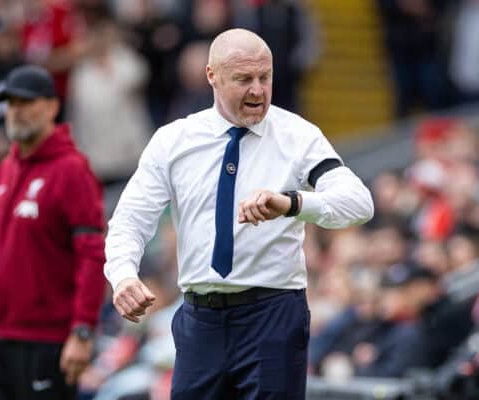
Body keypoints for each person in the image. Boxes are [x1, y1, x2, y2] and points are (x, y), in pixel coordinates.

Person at [104, 28, 374, 399]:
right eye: (244, 79)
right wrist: (122, 276)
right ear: (211, 76)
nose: (258, 90)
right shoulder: (174, 141)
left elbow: (358, 202)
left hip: (273, 316)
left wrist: (293, 203)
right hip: (200, 319)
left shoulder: (298, 135)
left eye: (265, 77)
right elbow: (130, 221)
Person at [0, 65, 107, 399]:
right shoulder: (6, 168)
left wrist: (82, 331)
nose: (16, 111)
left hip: (45, 341)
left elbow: (92, 256)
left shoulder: (72, 170)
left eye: (26, 102)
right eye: (11, 103)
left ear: (52, 106)